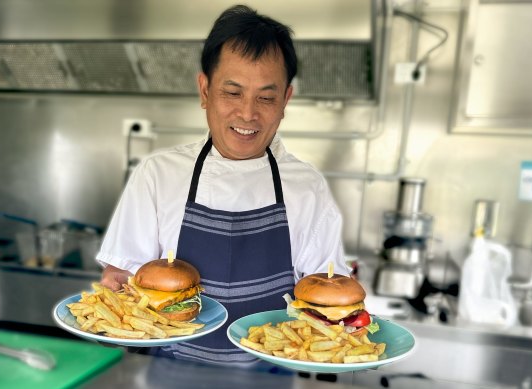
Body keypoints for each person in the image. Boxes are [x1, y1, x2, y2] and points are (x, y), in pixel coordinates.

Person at [97, 4, 350, 366]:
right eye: (232, 93)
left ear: (285, 101)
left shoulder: (307, 187)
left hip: (270, 374)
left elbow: (326, 297)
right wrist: (113, 298)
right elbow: (120, 279)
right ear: (205, 90)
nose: (248, 114)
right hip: (170, 373)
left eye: (266, 97)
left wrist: (346, 326)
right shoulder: (158, 174)